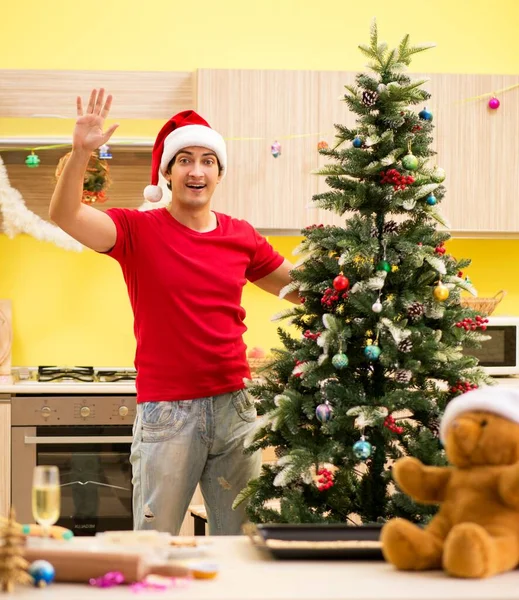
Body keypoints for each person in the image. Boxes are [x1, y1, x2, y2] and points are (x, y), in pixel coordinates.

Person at [49, 89, 299, 535]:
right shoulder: (136, 230)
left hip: (235, 409)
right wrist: (81, 152)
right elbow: (65, 215)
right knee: (154, 544)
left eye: (207, 160)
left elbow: (300, 290)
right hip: (166, 414)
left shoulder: (241, 236)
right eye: (184, 159)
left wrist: (361, 281)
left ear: (220, 173)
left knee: (240, 542)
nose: (196, 170)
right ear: (166, 172)